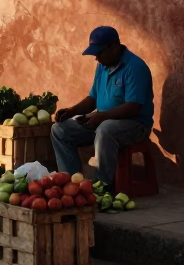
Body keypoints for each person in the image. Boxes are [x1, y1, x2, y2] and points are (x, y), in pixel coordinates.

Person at [51, 25, 153, 191]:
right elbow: (93, 99)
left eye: (99, 53)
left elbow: (133, 108)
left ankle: (103, 187)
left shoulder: (135, 67)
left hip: (135, 125)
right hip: (104, 120)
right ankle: (71, 186)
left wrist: (101, 117)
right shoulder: (102, 66)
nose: (96, 58)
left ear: (114, 47)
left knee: (105, 129)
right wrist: (72, 111)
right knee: (59, 130)